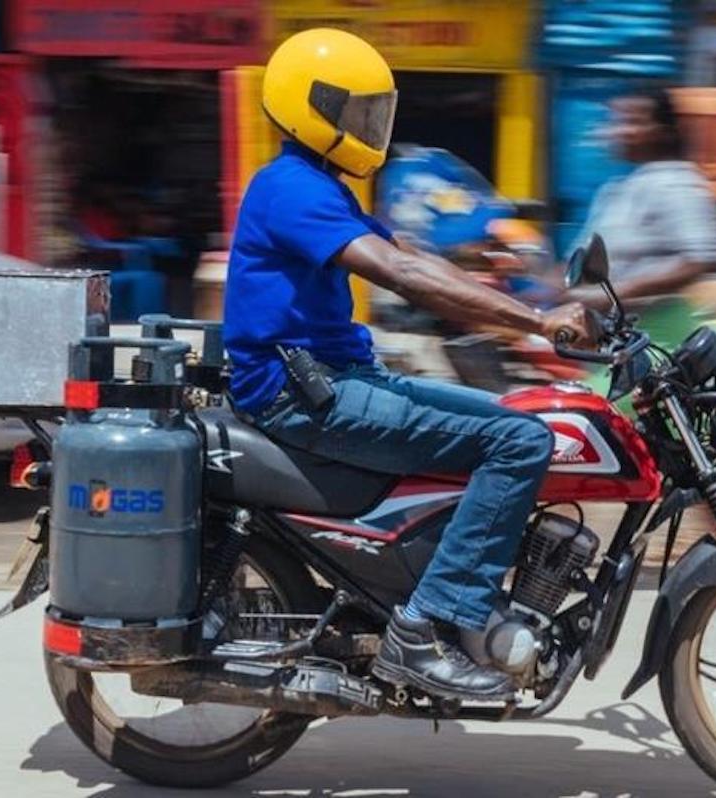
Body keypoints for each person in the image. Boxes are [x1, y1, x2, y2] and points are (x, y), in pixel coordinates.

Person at [222, 29, 590, 701]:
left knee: (513, 417)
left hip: (333, 380)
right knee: (521, 440)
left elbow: (424, 261)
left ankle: (436, 589)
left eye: (375, 112)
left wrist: (535, 298)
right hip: (304, 395)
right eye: (357, 112)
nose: (371, 127)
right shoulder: (291, 189)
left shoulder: (320, 188)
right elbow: (400, 272)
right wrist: (536, 321)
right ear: (313, 109)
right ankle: (420, 631)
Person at [565, 86, 716, 310]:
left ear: (663, 131)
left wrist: (619, 294)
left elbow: (703, 259)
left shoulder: (677, 183)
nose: (616, 132)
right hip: (605, 330)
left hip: (653, 334)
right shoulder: (615, 189)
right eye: (614, 122)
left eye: (631, 122)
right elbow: (580, 263)